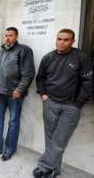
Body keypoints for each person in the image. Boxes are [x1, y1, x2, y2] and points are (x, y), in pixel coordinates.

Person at [33, 29, 93, 178]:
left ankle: (44, 166)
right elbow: (40, 78)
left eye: (66, 40)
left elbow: (89, 82)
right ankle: (54, 170)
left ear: (72, 41)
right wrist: (43, 95)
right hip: (50, 103)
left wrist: (78, 102)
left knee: (60, 140)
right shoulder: (48, 57)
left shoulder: (81, 58)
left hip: (71, 106)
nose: (61, 42)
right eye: (59, 39)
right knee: (50, 138)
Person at [0, 27, 35, 161]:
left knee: (13, 122)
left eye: (10, 35)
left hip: (14, 94)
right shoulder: (1, 52)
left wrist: (19, 90)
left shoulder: (24, 50)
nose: (7, 38)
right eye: (6, 35)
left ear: (16, 37)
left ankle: (10, 150)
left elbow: (28, 74)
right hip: (0, 92)